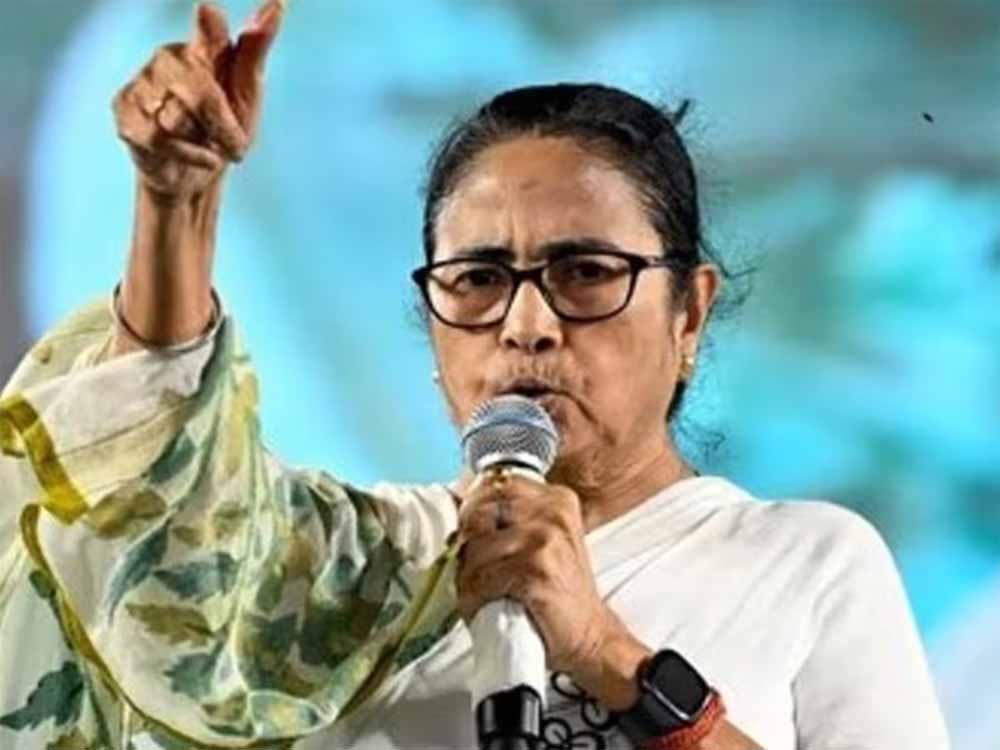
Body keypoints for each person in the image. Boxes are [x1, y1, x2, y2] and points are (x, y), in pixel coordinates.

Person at [0, 1, 951, 748]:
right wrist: (175, 203)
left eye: (586, 273)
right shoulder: (361, 572)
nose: (527, 326)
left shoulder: (806, 563)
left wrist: (608, 655)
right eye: (480, 282)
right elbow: (164, 539)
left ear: (689, 311)